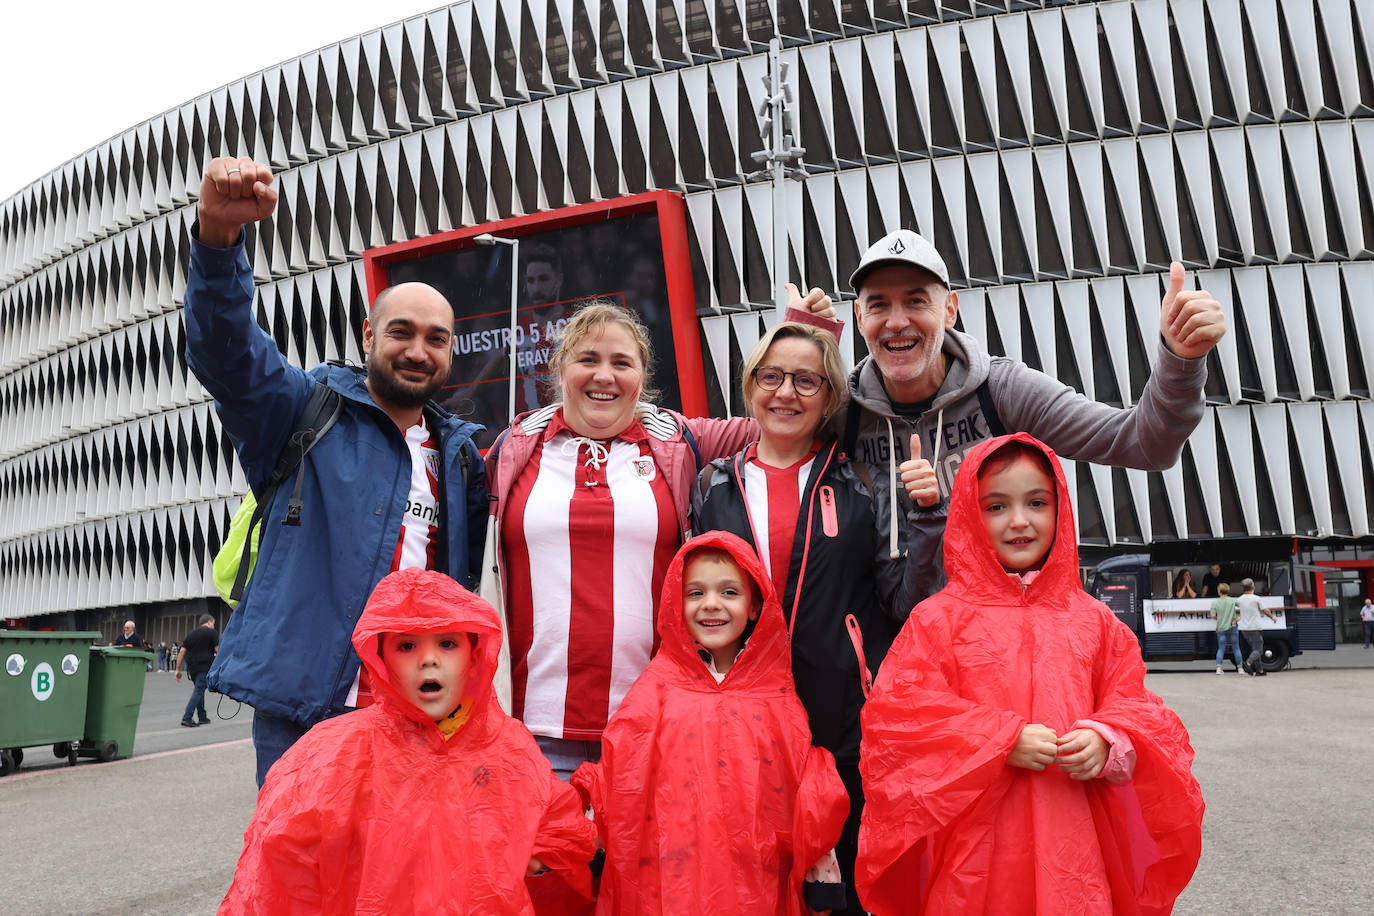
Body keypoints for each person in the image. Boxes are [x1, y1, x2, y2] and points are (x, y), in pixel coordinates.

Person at [183, 157, 486, 786]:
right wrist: (219, 241)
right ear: (368, 334)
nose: (417, 350)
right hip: (307, 715)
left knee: (405, 883)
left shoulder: (459, 457)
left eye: (436, 338)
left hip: (419, 715)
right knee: (303, 881)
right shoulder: (301, 409)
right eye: (401, 332)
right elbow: (225, 349)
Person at [855, 434, 1204, 915]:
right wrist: (999, 740)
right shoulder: (937, 620)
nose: (1019, 521)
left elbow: (1138, 711)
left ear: (1060, 508)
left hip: (1074, 848)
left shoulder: (1094, 621)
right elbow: (898, 723)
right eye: (996, 506)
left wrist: (1108, 740)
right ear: (968, 516)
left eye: (1036, 502)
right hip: (974, 855)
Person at [791, 229, 1227, 607]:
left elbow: (1142, 443)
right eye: (879, 304)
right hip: (884, 658)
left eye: (916, 300)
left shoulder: (1001, 391)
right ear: (860, 317)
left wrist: (1180, 359)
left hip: (993, 650)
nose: (897, 321)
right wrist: (806, 352)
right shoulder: (842, 410)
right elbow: (762, 440)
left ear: (949, 309)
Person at [485, 299, 786, 777]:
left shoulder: (679, 440)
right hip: (531, 734)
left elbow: (784, 418)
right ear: (561, 369)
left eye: (621, 362)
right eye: (588, 359)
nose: (604, 375)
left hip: (656, 726)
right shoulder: (513, 448)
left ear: (641, 378)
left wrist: (806, 330)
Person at [219, 568, 596, 915]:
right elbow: (280, 872)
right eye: (407, 646)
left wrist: (537, 856)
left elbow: (559, 829)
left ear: (474, 653)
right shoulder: (331, 757)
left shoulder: (507, 746)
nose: (428, 660)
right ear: (380, 657)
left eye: (447, 643)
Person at [692, 319, 910, 914]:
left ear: (831, 396)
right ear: (751, 386)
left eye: (807, 380)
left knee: (839, 889)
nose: (787, 392)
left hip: (841, 723)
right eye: (773, 376)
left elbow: (902, 601)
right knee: (751, 879)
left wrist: (930, 517)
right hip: (738, 721)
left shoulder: (864, 482)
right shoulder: (712, 484)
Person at [572, 532, 849, 915]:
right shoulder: (656, 689)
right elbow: (620, 772)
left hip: (755, 878)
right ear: (674, 603)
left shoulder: (776, 696)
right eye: (695, 593)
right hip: (666, 877)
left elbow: (805, 790)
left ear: (755, 605)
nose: (711, 605)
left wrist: (820, 877)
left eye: (729, 592)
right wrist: (591, 844)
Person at [175, 614, 219, 727]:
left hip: (192, 668)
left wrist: (178, 669)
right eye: (213, 623)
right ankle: (187, 717)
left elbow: (182, 652)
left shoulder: (191, 634)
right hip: (205, 667)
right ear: (209, 622)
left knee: (199, 690)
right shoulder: (212, 633)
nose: (213, 626)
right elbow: (218, 650)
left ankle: (202, 716)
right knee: (198, 691)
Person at [1236, 578, 1277, 676]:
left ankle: (1260, 670)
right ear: (1253, 587)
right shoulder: (1256, 598)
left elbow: (1236, 611)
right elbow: (1265, 610)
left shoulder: (1239, 599)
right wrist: (1272, 617)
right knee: (1259, 650)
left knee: (1255, 649)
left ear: (1243, 589)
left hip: (1243, 628)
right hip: (1254, 627)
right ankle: (1248, 663)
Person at [1210, 583, 1244, 674]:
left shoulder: (1215, 602)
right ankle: (1240, 668)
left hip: (1221, 627)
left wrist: (1220, 617)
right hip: (1233, 625)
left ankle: (1219, 668)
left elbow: (1213, 616)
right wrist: (1239, 617)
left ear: (1219, 591)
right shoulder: (1233, 600)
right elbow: (1243, 606)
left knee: (1221, 648)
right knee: (1236, 647)